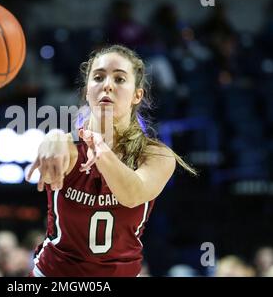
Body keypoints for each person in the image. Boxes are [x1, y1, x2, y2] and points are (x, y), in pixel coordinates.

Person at [26, 44, 196, 277]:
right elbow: (52, 161)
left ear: (137, 95)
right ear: (87, 91)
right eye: (98, 77)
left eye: (119, 79)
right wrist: (52, 137)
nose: (107, 85)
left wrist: (102, 149)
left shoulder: (157, 156)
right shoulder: (68, 148)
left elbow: (132, 194)